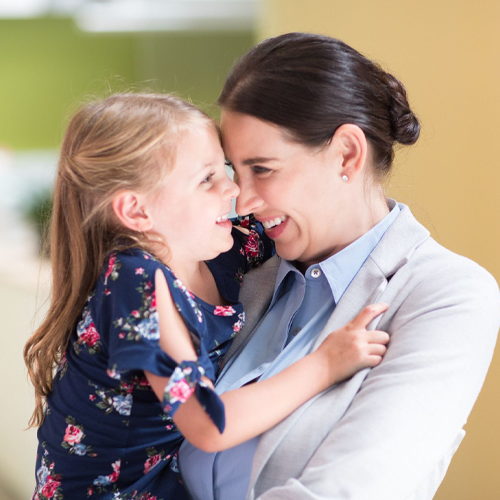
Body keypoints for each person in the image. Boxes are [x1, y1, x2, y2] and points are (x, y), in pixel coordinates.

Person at [178, 33, 500, 500]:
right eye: (233, 171)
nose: (242, 202)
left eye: (262, 169)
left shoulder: (447, 295)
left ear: (347, 153)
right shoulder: (243, 275)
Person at [23, 93, 391, 500]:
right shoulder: (135, 280)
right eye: (206, 179)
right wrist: (325, 364)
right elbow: (206, 423)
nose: (233, 187)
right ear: (137, 212)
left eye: (225, 169)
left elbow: (319, 229)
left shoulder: (226, 250)